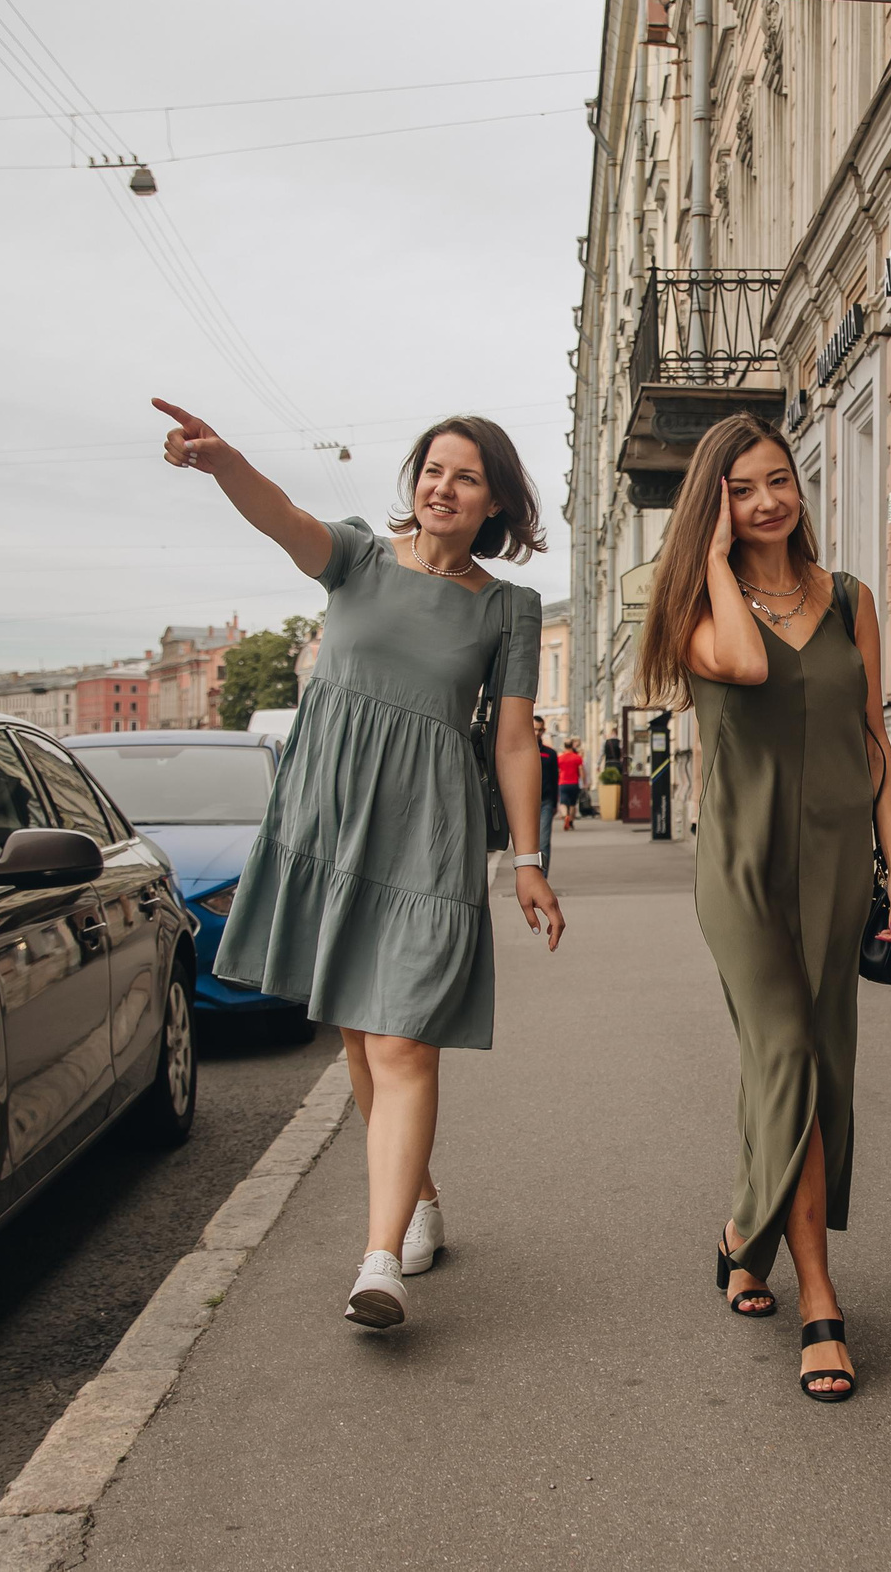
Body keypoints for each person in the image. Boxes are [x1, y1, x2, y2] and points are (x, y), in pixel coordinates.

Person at [155, 400, 563, 1332]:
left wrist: (531, 858)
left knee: (401, 1035)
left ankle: (379, 1261)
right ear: (413, 481)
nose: (443, 486)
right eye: (431, 469)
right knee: (354, 1029)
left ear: (494, 497)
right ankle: (414, 1198)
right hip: (331, 815)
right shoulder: (357, 557)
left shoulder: (508, 606)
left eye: (465, 475)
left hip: (429, 825)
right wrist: (225, 464)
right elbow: (283, 516)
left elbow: (509, 739)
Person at [636, 412, 891, 1403]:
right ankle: (819, 1302)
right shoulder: (691, 614)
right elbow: (750, 669)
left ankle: (740, 1236)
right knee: (788, 1052)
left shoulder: (849, 599)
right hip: (747, 868)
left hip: (842, 862)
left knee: (813, 1061)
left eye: (778, 480)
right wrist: (711, 556)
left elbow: (873, 740)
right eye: (742, 488)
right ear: (716, 503)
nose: (767, 502)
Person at [536, 719, 560, 852]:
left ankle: (543, 873)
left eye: (540, 730)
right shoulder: (522, 753)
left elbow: (554, 778)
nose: (537, 733)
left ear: (544, 731)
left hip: (546, 801)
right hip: (525, 802)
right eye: (534, 729)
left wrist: (555, 803)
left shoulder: (550, 754)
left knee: (543, 841)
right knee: (527, 843)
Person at [556, 737, 583, 831]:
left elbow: (558, 771)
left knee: (563, 803)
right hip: (574, 783)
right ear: (572, 746)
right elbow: (581, 770)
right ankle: (570, 821)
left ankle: (565, 816)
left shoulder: (560, 758)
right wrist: (583, 782)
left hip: (563, 782)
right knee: (572, 804)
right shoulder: (577, 757)